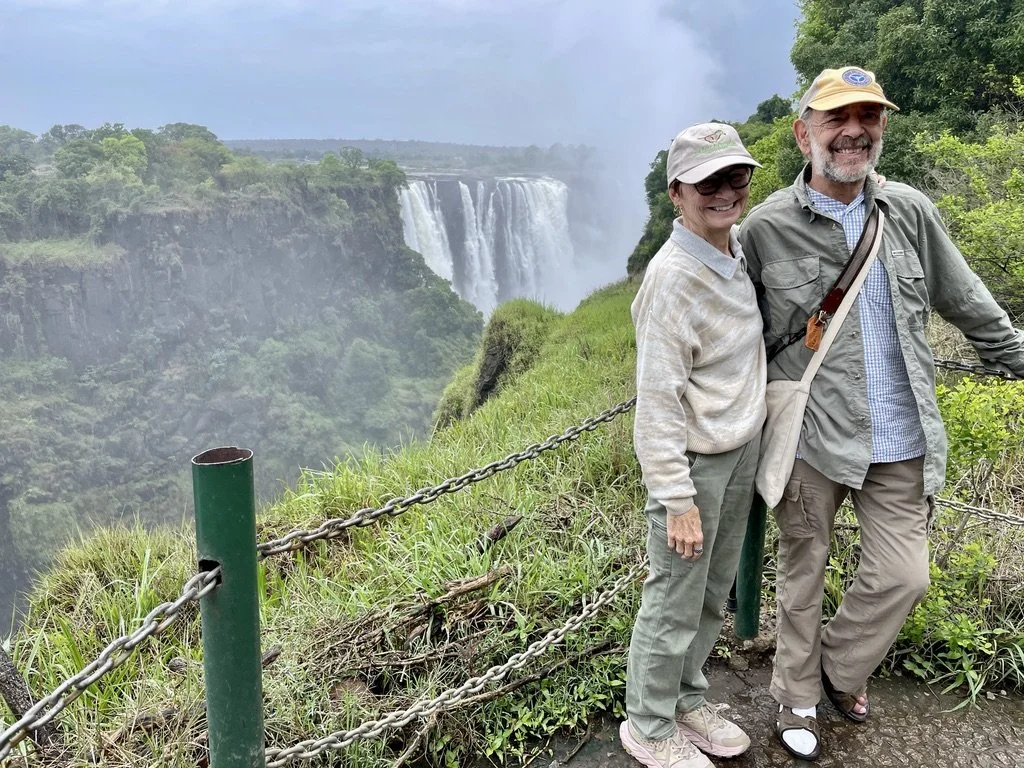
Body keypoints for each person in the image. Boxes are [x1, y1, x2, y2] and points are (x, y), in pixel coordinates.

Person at [739, 66, 1024, 761]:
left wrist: (1015, 355)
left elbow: (967, 299)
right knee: (803, 569)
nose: (854, 132)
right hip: (811, 435)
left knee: (905, 576)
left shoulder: (910, 212)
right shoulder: (765, 229)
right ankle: (795, 696)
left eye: (868, 117)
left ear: (882, 129)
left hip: (902, 436)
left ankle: (834, 668)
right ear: (805, 133)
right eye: (838, 119)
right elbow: (732, 336)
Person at [621, 123, 766, 768]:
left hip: (739, 453)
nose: (725, 192)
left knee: (712, 593)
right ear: (677, 192)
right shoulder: (673, 276)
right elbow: (656, 399)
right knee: (674, 597)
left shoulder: (733, 254)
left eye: (735, 177)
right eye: (707, 182)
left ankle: (685, 696)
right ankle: (647, 725)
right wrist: (675, 496)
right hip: (696, 465)